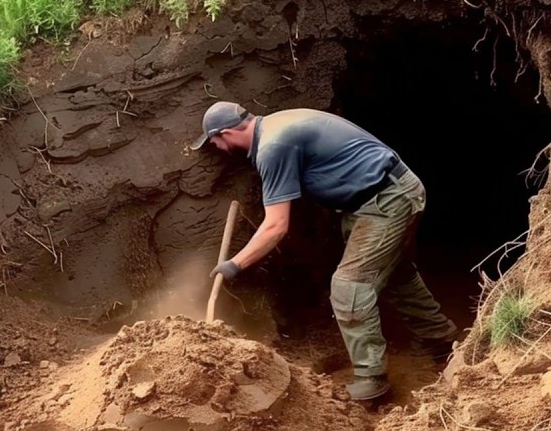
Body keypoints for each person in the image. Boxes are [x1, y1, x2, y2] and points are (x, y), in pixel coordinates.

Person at [192, 100, 459, 400]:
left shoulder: (272, 146)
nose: (216, 148)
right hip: (374, 199)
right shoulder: (277, 125)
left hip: (387, 200)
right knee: (395, 275)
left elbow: (276, 226)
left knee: (350, 285)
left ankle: (372, 381)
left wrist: (235, 264)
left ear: (226, 133)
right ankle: (442, 342)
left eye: (214, 141)